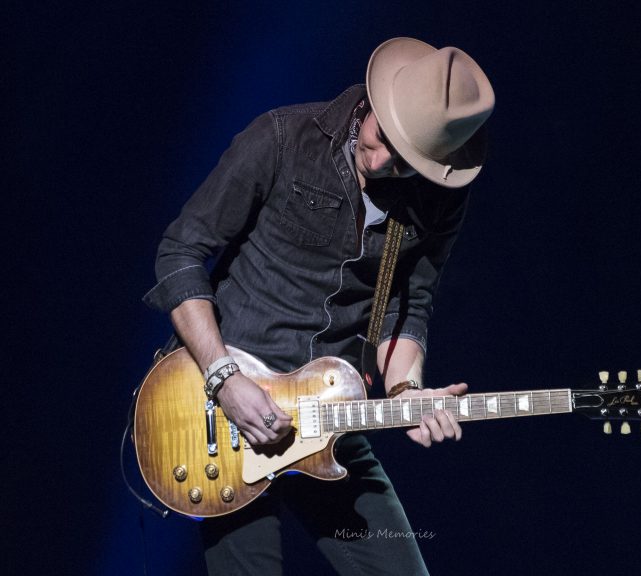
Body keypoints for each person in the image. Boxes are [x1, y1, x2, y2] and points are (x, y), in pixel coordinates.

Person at [143, 36, 494, 575]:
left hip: (331, 415)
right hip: (226, 407)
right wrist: (223, 377)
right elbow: (180, 253)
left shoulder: (439, 196)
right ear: (373, 103)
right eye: (381, 139)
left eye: (406, 163)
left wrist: (407, 393)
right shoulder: (282, 137)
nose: (381, 162)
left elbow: (410, 305)